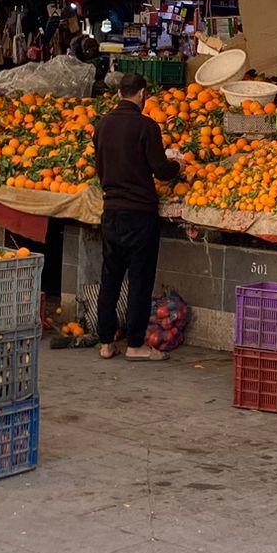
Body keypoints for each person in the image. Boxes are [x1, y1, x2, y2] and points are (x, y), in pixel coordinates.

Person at [92, 72, 186, 359]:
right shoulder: (147, 126)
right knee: (140, 281)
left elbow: (100, 166)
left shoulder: (102, 125)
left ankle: (106, 343)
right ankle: (135, 345)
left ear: (119, 93)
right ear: (142, 94)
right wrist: (178, 165)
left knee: (110, 278)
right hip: (139, 214)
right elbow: (160, 169)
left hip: (111, 212)